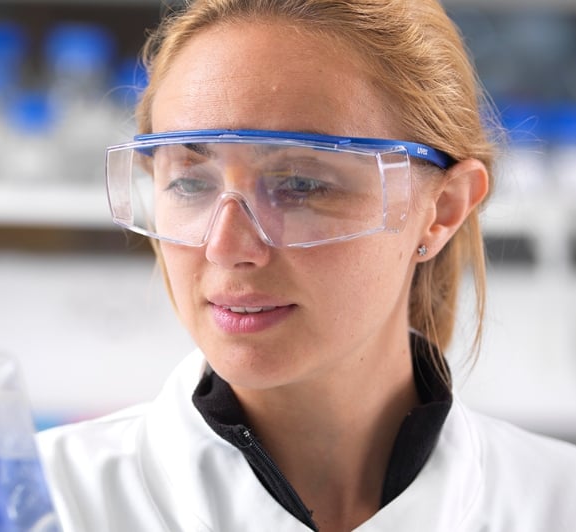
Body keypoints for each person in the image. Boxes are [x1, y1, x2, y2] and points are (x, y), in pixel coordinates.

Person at [36, 0, 576, 531]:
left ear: (443, 210)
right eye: (189, 181)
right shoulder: (37, 504)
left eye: (301, 184)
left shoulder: (556, 503)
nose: (226, 246)